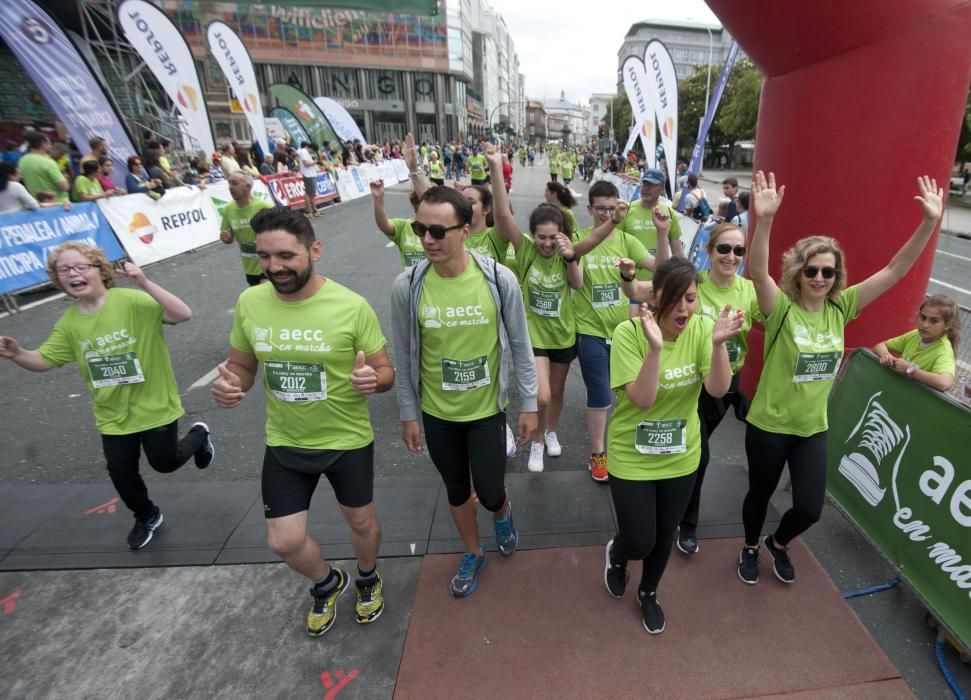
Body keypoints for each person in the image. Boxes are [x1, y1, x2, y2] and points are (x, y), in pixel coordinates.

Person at [738, 172, 944, 585]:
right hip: (769, 425)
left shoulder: (842, 307)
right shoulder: (781, 308)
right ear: (799, 272)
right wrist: (764, 221)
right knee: (759, 495)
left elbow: (895, 270)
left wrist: (927, 223)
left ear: (836, 276)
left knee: (810, 508)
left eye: (828, 272)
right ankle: (747, 546)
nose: (819, 278)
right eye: (812, 270)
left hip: (812, 427)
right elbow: (759, 275)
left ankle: (776, 544)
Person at [211, 206, 393, 635]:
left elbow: (385, 372)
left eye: (286, 256)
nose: (273, 267)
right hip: (286, 441)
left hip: (346, 440)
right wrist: (230, 383)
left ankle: (367, 577)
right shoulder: (250, 302)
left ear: (314, 250)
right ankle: (328, 582)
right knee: (283, 541)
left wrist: (374, 379)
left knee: (361, 522)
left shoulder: (351, 306)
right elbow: (242, 364)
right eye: (265, 256)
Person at [0, 242, 214, 549]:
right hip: (112, 415)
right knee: (121, 474)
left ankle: (199, 434)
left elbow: (182, 314)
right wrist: (17, 353)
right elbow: (43, 360)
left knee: (164, 463)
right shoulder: (70, 323)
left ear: (100, 270)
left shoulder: (132, 301)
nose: (73, 274)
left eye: (80, 267)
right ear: (57, 280)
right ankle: (146, 515)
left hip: (155, 407)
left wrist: (144, 282)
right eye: (64, 270)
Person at [390, 186, 538, 597]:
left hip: (487, 411)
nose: (427, 240)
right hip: (439, 415)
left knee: (489, 493)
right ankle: (473, 552)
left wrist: (529, 405)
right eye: (421, 229)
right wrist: (408, 413)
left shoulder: (497, 278)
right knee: (457, 489)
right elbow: (403, 354)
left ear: (466, 230)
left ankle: (502, 511)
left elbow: (522, 344)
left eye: (438, 231)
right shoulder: (408, 285)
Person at [604, 258, 742, 633]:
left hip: (681, 453)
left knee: (665, 533)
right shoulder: (629, 334)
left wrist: (717, 346)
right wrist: (654, 350)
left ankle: (649, 592)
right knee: (638, 540)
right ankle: (618, 554)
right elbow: (643, 400)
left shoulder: (701, 329)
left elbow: (717, 389)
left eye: (692, 299)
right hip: (632, 453)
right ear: (655, 297)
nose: (684, 309)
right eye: (675, 300)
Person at [622, 223, 761, 555]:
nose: (731, 256)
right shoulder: (692, 283)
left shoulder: (750, 291)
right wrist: (628, 278)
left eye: (739, 251)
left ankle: (669, 508)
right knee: (699, 452)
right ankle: (685, 523)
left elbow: (781, 318)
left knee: (700, 448)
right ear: (709, 251)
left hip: (727, 382)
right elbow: (642, 292)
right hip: (689, 380)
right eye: (724, 249)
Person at [570, 181, 667, 482]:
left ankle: (627, 445)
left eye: (612, 208)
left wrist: (663, 231)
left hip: (625, 332)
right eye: (601, 208)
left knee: (631, 394)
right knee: (600, 393)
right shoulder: (580, 239)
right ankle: (598, 453)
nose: (607, 213)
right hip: (590, 330)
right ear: (589, 209)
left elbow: (660, 266)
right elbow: (574, 279)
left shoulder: (627, 241)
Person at [874, 294, 958, 392]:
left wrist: (910, 370)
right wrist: (885, 355)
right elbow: (880, 345)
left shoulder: (944, 351)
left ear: (948, 325)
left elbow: (944, 383)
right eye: (923, 317)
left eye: (934, 321)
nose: (925, 325)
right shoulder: (915, 335)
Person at [616, 168, 685, 280]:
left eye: (652, 185)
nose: (646, 188)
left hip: (658, 282)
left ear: (662, 188)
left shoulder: (669, 214)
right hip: (630, 282)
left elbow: (677, 251)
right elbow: (615, 246)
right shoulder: (627, 210)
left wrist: (689, 275)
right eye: (645, 183)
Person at [220, 171, 274, 286]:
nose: (230, 187)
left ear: (248, 186)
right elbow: (228, 239)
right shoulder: (228, 210)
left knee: (267, 296)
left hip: (269, 264)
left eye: (234, 183)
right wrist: (226, 237)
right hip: (249, 267)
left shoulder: (264, 207)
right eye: (229, 184)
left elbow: (283, 234)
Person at [370, 179, 424, 268]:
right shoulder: (403, 226)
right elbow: (383, 224)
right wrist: (378, 198)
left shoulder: (440, 228)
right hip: (410, 280)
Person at [18, 132, 69, 203]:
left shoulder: (22, 160)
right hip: (58, 203)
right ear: (43, 144)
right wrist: (65, 177)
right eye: (50, 143)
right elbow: (65, 187)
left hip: (38, 203)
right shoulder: (48, 162)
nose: (51, 146)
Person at [295, 141, 319, 217]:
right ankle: (309, 210)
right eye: (313, 151)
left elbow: (297, 152)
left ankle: (312, 209)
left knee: (311, 193)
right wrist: (314, 162)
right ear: (311, 148)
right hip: (308, 175)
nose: (313, 152)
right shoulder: (304, 152)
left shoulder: (302, 151)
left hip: (310, 174)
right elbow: (306, 164)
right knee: (309, 193)